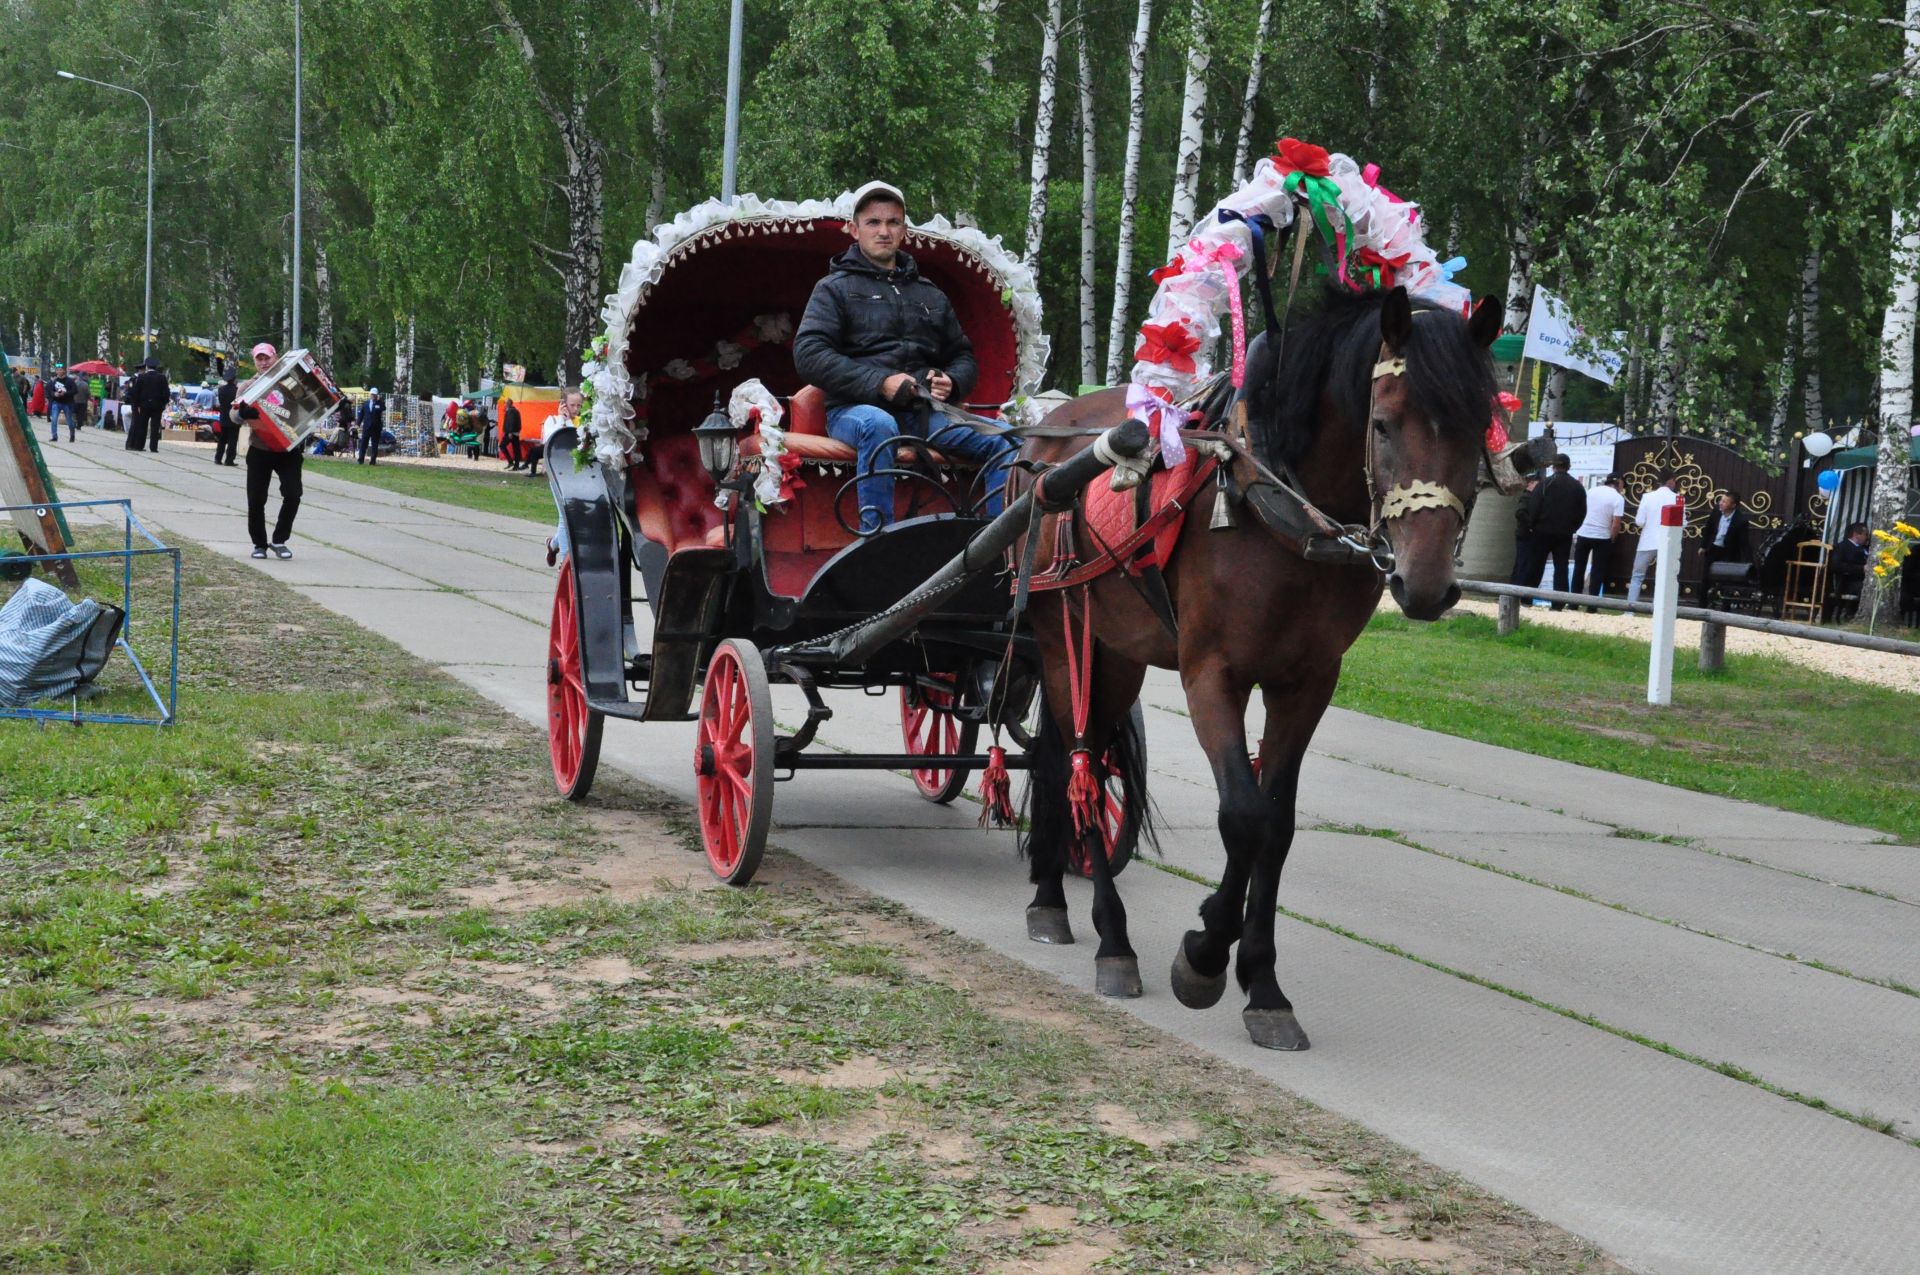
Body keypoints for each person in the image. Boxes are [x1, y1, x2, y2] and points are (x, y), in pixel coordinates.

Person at [793, 180, 1014, 532]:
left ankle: (994, 546)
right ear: (854, 230)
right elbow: (809, 355)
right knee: (879, 425)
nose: (884, 231)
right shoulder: (832, 289)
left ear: (904, 230)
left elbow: (963, 357)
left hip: (925, 414)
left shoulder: (930, 294)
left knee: (1008, 440)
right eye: (873, 222)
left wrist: (951, 381)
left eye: (893, 222)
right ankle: (877, 539)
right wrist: (880, 383)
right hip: (854, 411)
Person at [234, 342, 303, 560]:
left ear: (276, 358)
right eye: (259, 359)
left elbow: (308, 407)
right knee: (256, 499)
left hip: (287, 449)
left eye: (267, 358)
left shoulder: (290, 382)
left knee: (293, 494)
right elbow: (232, 416)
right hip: (260, 449)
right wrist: (243, 414)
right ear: (254, 361)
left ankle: (279, 540)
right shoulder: (247, 386)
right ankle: (259, 544)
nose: (264, 362)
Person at [1529, 454, 1587, 610]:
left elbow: (1534, 506)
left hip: (1542, 531)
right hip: (1564, 533)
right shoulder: (1577, 486)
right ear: (1569, 467)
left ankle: (1526, 599)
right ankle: (1558, 603)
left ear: (1553, 466)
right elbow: (1582, 512)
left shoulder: (1545, 484)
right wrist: (1573, 527)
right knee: (1561, 568)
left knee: (1536, 565)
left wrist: (1532, 525)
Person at [1571, 473, 1626, 612]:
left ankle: (1573, 602)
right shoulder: (1618, 498)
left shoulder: (1591, 491)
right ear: (1618, 483)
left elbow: (1581, 510)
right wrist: (1612, 538)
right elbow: (1616, 523)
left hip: (1584, 534)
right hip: (1602, 537)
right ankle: (1592, 605)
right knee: (1597, 571)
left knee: (1579, 568)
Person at [1625, 476, 1682, 607]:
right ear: (1671, 481)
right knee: (1665, 577)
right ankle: (1660, 608)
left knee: (1637, 576)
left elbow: (1639, 521)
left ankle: (1630, 609)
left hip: (1647, 541)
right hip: (1668, 542)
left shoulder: (1647, 497)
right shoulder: (1677, 498)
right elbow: (1682, 523)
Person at [1698, 489, 1751, 601]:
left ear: (1733, 505)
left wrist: (1747, 560)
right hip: (1714, 548)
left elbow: (1743, 542)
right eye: (1721, 500)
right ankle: (1702, 604)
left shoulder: (1740, 520)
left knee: (1727, 580)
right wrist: (1703, 546)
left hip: (1728, 551)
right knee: (1706, 577)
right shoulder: (1716, 512)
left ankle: (1725, 606)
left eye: (1725, 502)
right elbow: (1708, 529)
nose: (1721, 503)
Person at [126, 358, 169, 452]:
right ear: (156, 367)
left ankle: (139, 445)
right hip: (157, 407)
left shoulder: (141, 377)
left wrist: (137, 405)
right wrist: (162, 404)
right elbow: (166, 393)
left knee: (143, 426)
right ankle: (153, 447)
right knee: (155, 427)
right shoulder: (162, 377)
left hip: (144, 406)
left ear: (147, 366)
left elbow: (135, 392)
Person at [1831, 521, 1870, 612]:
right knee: (1865, 588)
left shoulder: (1865, 548)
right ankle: (1852, 612)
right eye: (1865, 534)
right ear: (1856, 534)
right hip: (1849, 582)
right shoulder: (1842, 547)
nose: (1867, 537)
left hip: (1863, 580)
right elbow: (1836, 565)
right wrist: (1861, 568)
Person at [213, 367, 242, 466]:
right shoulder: (237, 391)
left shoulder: (221, 390)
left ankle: (218, 458)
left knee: (222, 440)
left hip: (223, 418)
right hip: (233, 418)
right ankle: (229, 460)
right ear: (234, 379)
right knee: (232, 441)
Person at [45, 365, 75, 441]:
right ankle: (54, 436)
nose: (58, 371)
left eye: (60, 370)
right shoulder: (54, 381)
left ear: (64, 371)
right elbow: (50, 391)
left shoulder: (70, 381)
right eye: (57, 370)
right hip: (56, 402)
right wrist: (54, 394)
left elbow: (75, 391)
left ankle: (72, 434)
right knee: (54, 419)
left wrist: (65, 393)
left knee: (69, 421)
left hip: (67, 403)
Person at [355, 388, 385, 464]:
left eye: (374, 394)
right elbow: (361, 415)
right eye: (372, 394)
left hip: (376, 427)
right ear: (370, 395)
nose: (373, 396)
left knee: (375, 444)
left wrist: (378, 401)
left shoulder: (379, 403)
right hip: (367, 427)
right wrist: (357, 424)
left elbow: (383, 408)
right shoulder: (365, 403)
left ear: (376, 395)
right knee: (363, 443)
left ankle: (373, 461)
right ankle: (361, 459)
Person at [500, 397, 524, 470]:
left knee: (502, 445)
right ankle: (516, 465)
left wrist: (510, 432)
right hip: (516, 432)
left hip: (511, 433)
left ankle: (511, 462)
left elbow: (511, 422)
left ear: (508, 404)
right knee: (516, 449)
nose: (504, 404)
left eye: (505, 403)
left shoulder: (510, 411)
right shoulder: (516, 411)